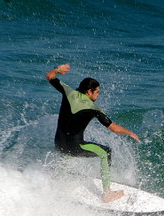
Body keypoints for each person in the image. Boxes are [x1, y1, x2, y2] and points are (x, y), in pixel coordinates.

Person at [46, 64, 140, 202]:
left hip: (59, 145)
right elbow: (113, 127)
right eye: (97, 92)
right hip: (74, 148)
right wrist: (130, 132)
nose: (98, 94)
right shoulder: (94, 108)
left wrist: (58, 70)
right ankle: (107, 193)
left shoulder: (68, 92)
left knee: (67, 151)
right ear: (89, 92)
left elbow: (49, 76)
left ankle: (58, 179)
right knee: (106, 152)